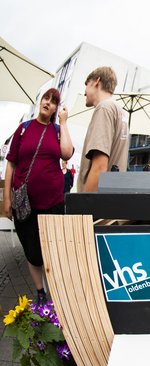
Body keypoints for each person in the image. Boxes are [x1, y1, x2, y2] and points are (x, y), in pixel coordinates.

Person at [4, 88, 73, 304]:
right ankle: (40, 291)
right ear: (40, 101)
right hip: (25, 203)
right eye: (46, 99)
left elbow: (67, 153)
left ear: (55, 109)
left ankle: (55, 292)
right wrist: (7, 198)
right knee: (32, 251)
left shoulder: (57, 130)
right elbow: (11, 164)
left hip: (53, 202)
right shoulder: (23, 129)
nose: (48, 103)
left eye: (53, 102)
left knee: (52, 249)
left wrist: (64, 122)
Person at [77, 67, 128, 192]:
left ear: (96, 81)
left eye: (86, 84)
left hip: (96, 201)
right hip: (111, 197)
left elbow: (99, 167)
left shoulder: (104, 108)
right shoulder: (119, 111)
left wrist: (83, 205)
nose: (84, 92)